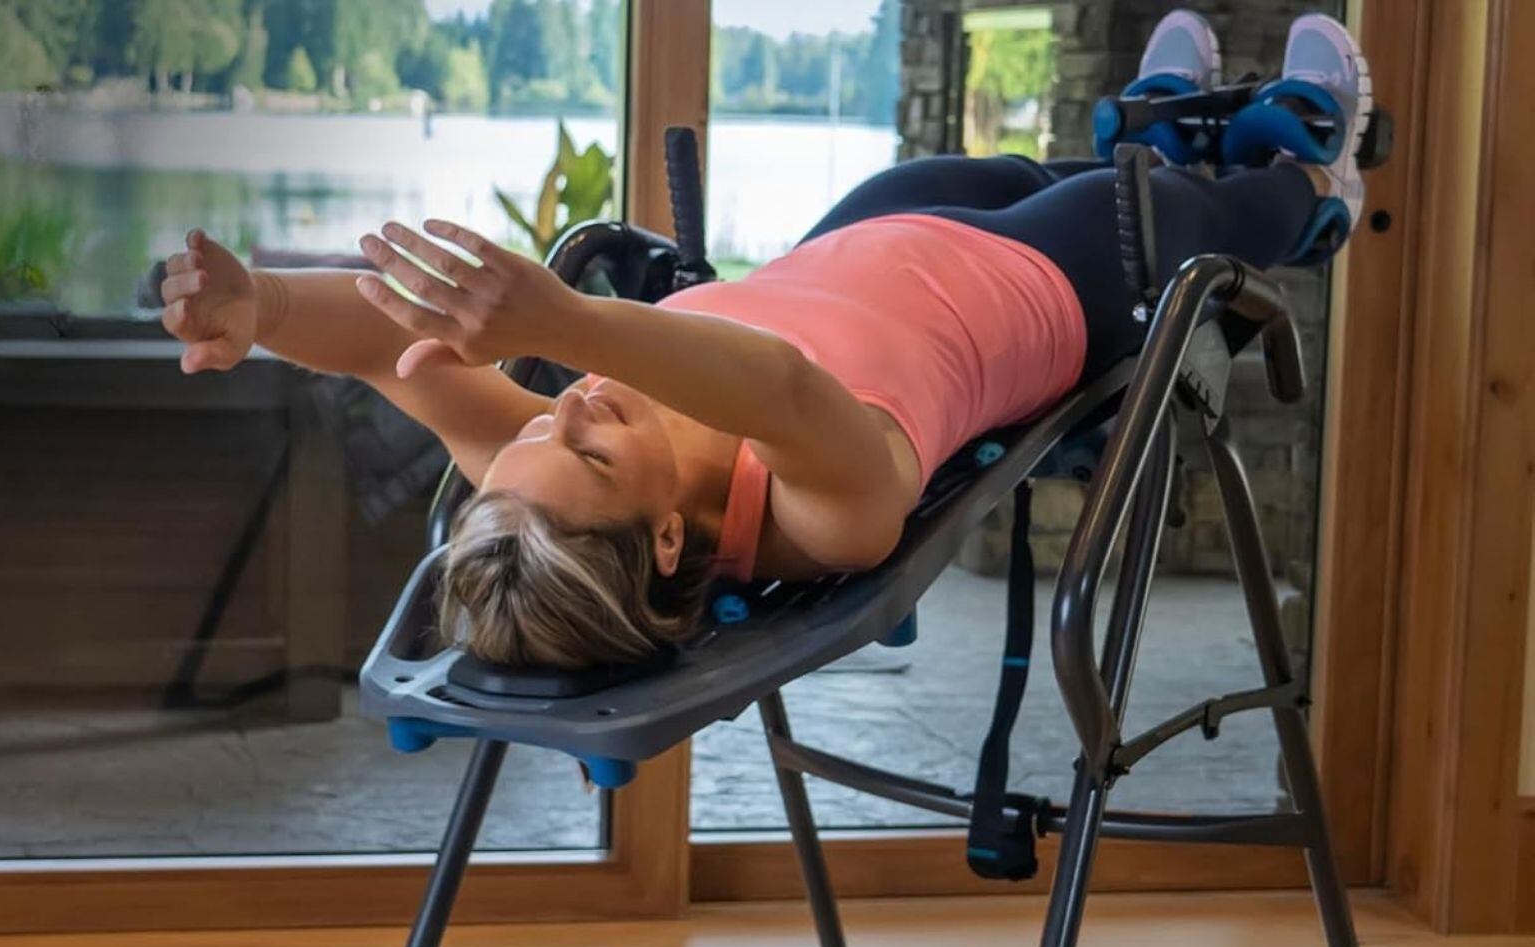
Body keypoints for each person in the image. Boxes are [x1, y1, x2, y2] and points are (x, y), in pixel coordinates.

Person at [161, 12, 1373, 670]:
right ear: (670, 536)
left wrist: (263, 311)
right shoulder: (823, 518)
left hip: (861, 237)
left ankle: (1163, 124)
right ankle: (1309, 180)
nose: (563, 407)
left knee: (1030, 167)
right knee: (1158, 208)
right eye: (586, 450)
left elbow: (383, 349)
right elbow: (786, 388)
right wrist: (561, 321)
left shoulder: (538, 487)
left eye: (533, 434)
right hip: (1049, 285)